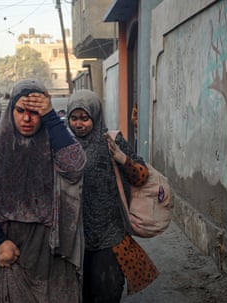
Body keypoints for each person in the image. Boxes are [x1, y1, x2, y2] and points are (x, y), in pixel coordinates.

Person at [0, 79, 86, 302]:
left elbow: (74, 168)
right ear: (11, 111)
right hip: (10, 245)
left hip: (52, 245)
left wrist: (51, 118)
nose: (26, 118)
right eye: (20, 110)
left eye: (34, 112)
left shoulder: (54, 142)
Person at [66, 89, 158, 302]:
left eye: (85, 118)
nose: (79, 124)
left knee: (108, 290)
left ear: (96, 116)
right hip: (76, 236)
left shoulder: (111, 141)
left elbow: (141, 177)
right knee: (79, 293)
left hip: (110, 233)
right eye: (74, 118)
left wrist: (121, 157)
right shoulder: (64, 146)